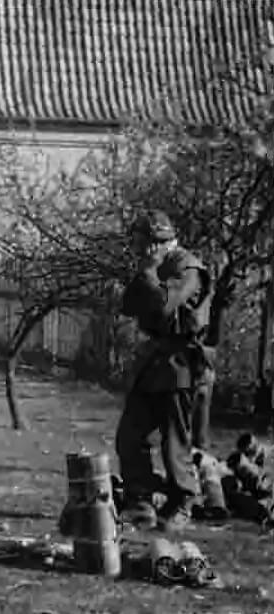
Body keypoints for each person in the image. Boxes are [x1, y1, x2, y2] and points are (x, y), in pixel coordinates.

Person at [116, 210, 215, 532]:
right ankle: (140, 499)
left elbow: (165, 306)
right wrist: (146, 273)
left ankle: (184, 501)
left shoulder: (188, 267)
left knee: (175, 441)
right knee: (130, 435)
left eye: (139, 244)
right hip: (153, 363)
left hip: (180, 364)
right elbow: (129, 305)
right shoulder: (155, 267)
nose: (136, 250)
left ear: (155, 243)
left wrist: (149, 272)